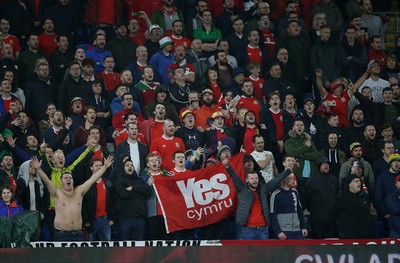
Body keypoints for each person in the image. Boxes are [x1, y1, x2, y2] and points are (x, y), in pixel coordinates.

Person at [33, 155, 113, 241]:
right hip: (61, 235)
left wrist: (104, 167)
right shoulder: (57, 193)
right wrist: (38, 169)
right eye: (66, 178)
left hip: (78, 234)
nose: (68, 179)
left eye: (70, 178)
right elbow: (47, 181)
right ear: (61, 182)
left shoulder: (79, 192)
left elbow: (93, 179)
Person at [223, 157, 292, 240]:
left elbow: (275, 180)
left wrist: (288, 171)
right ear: (247, 180)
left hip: (263, 230)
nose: (254, 180)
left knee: (263, 253)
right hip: (246, 230)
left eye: (256, 178)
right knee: (245, 253)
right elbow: (234, 177)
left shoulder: (263, 189)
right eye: (252, 178)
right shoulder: (241, 189)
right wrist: (227, 166)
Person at [113, 157, 151, 241]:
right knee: (124, 247)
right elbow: (122, 194)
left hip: (140, 219)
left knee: (139, 248)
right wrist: (139, 192)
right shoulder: (119, 181)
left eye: (131, 165)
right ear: (123, 168)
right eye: (127, 165)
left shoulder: (139, 180)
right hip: (125, 220)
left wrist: (133, 188)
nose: (130, 167)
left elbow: (148, 190)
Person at [305, 156, 338, 238]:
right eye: (323, 164)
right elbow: (307, 198)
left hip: (332, 218)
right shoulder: (311, 181)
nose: (326, 166)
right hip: (317, 218)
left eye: (327, 164)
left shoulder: (334, 180)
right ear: (319, 166)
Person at [335, 174, 374, 238]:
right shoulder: (341, 197)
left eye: (359, 181)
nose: (359, 183)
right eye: (355, 181)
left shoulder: (365, 196)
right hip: (346, 234)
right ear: (349, 184)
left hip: (364, 233)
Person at [270, 174, 308, 239]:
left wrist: (303, 227)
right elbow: (272, 215)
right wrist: (278, 231)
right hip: (283, 231)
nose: (294, 181)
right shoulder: (276, 194)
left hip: (297, 230)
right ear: (285, 180)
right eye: (292, 179)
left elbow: (300, 211)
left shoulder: (295, 192)